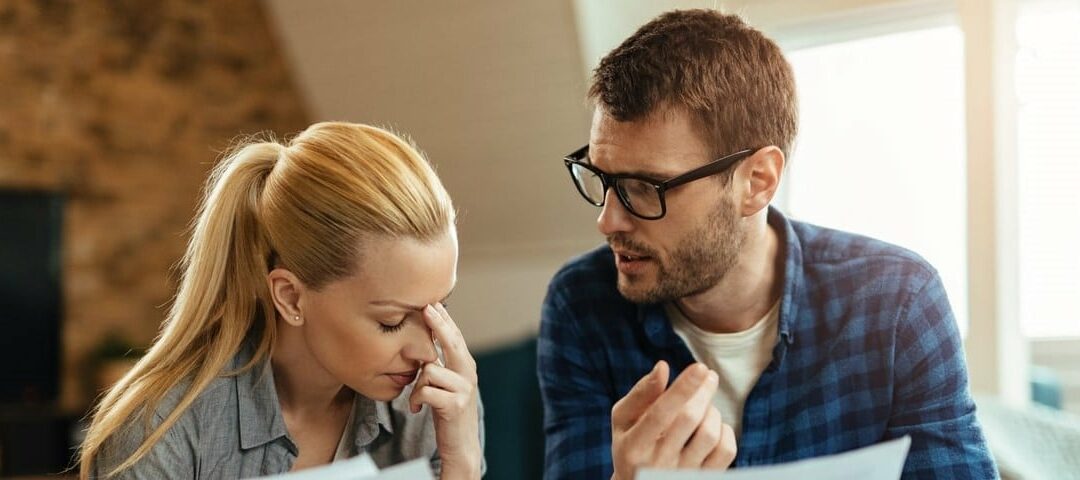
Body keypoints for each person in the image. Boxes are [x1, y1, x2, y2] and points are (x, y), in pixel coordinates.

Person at [538, 9, 998, 480]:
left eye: (644, 187)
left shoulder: (899, 301)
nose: (606, 219)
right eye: (602, 177)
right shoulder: (582, 305)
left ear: (757, 181)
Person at [79, 122, 484, 479]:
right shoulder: (160, 431)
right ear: (291, 297)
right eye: (392, 321)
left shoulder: (441, 403)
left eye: (438, 310)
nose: (426, 351)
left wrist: (462, 464)